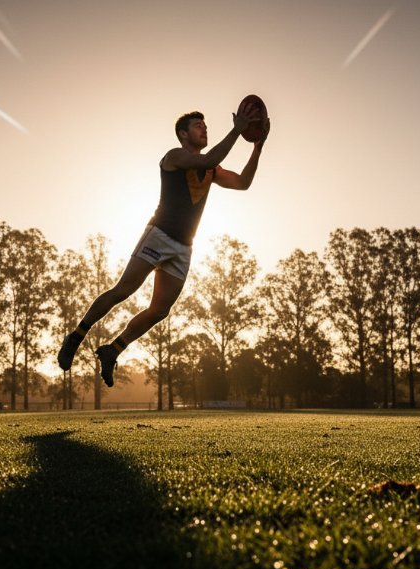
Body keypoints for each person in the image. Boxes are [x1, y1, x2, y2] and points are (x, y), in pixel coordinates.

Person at [57, 102, 270, 387]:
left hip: (184, 247)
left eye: (205, 125)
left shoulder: (211, 168)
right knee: (124, 290)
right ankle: (77, 336)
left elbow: (243, 182)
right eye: (198, 126)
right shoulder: (174, 157)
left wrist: (258, 146)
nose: (204, 128)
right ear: (183, 135)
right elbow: (205, 161)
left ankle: (113, 349)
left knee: (160, 311)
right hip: (159, 235)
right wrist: (237, 130)